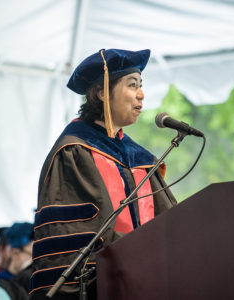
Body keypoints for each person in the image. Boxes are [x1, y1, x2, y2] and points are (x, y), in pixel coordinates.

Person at [29, 49, 177, 300]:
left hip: (147, 285)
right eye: (132, 85)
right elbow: (73, 236)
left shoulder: (140, 158)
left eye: (141, 85)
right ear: (101, 92)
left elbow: (172, 223)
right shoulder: (74, 151)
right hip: (104, 289)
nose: (141, 94)